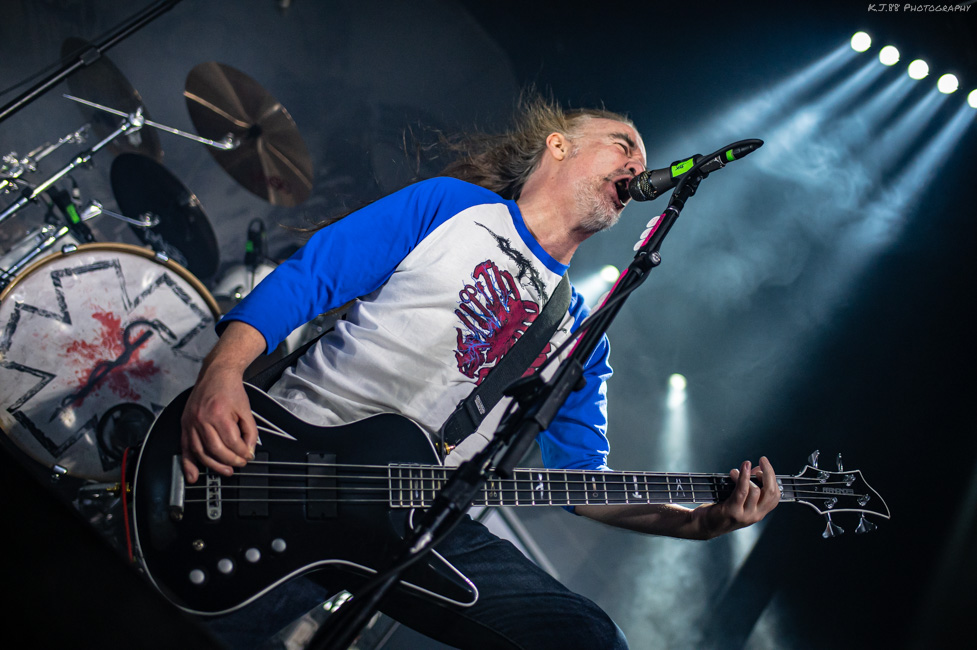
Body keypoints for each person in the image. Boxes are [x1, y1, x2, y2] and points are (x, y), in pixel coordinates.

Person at [180, 95, 780, 649]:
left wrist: (695, 523)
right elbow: (313, 277)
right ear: (559, 145)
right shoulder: (451, 207)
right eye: (623, 144)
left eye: (641, 156)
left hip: (422, 513)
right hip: (290, 458)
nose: (638, 163)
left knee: (589, 640)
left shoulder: (583, 332)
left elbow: (583, 483)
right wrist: (223, 372)